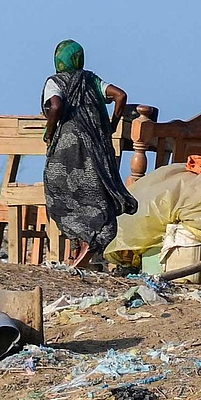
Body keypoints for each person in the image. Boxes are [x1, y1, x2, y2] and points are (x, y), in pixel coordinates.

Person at [41, 40, 137, 263]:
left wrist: (49, 131)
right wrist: (112, 124)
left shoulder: (54, 82)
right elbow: (120, 96)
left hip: (67, 151)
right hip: (97, 149)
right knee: (96, 196)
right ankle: (87, 246)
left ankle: (84, 244)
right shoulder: (92, 80)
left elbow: (55, 106)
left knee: (60, 193)